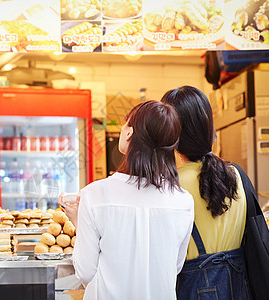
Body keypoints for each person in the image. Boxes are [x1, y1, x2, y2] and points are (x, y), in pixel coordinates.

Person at [60, 100, 194, 299]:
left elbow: (86, 271)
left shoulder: (95, 194)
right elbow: (174, 267)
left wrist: (78, 221)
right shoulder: (183, 201)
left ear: (129, 133)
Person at [161, 86, 250, 299]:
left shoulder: (171, 187)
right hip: (239, 285)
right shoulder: (235, 175)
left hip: (195, 286)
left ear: (171, 133)